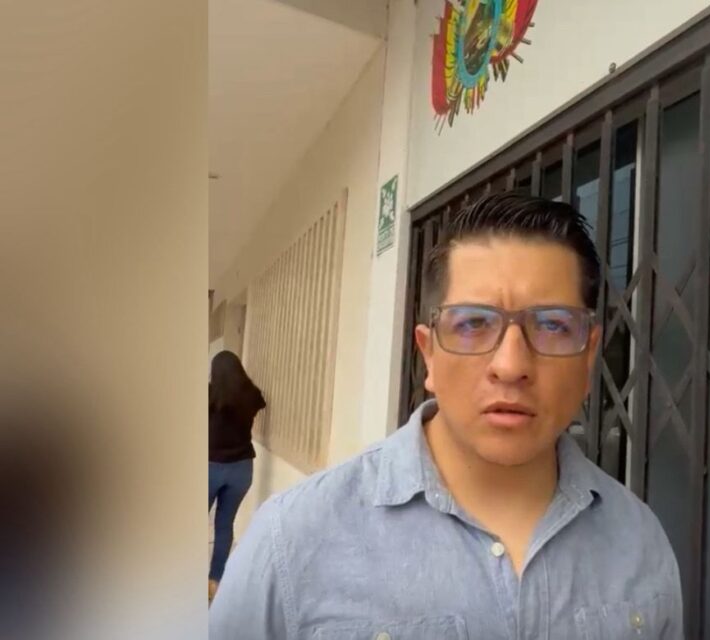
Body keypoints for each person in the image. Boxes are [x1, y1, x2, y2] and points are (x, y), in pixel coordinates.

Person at [209, 193, 682, 638]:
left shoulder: (640, 541)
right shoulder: (289, 543)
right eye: (474, 323)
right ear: (428, 354)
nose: (511, 365)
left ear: (588, 356)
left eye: (553, 325)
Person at [208, 350, 265, 602]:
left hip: (210, 466)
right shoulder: (251, 395)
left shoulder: (209, 394)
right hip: (242, 469)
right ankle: (215, 583)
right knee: (224, 525)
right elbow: (260, 402)